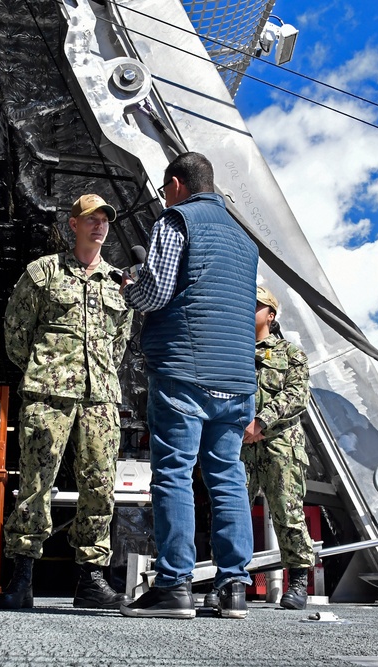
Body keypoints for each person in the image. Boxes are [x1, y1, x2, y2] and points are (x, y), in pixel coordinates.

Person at [119, 152, 259, 620]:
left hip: (185, 369)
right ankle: (234, 588)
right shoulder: (245, 239)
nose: (163, 197)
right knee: (227, 476)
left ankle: (175, 586)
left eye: (164, 189)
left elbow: (156, 291)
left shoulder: (176, 221)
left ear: (176, 184)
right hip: (237, 377)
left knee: (175, 472)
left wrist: (130, 288)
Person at [0, 193, 134, 610]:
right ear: (73, 224)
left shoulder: (117, 282)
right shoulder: (43, 272)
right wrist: (45, 368)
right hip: (49, 393)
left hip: (101, 398)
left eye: (106, 219)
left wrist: (98, 374)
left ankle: (91, 578)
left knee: (100, 484)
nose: (100, 225)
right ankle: (22, 576)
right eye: (91, 218)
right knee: (36, 481)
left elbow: (120, 341)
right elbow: (16, 331)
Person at [205, 286, 316, 610]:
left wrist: (261, 423)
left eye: (256, 306)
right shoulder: (230, 352)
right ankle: (224, 580)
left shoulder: (289, 354)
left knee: (287, 512)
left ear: (270, 314)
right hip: (237, 446)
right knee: (228, 511)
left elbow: (297, 395)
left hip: (280, 445)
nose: (248, 310)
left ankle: (296, 581)